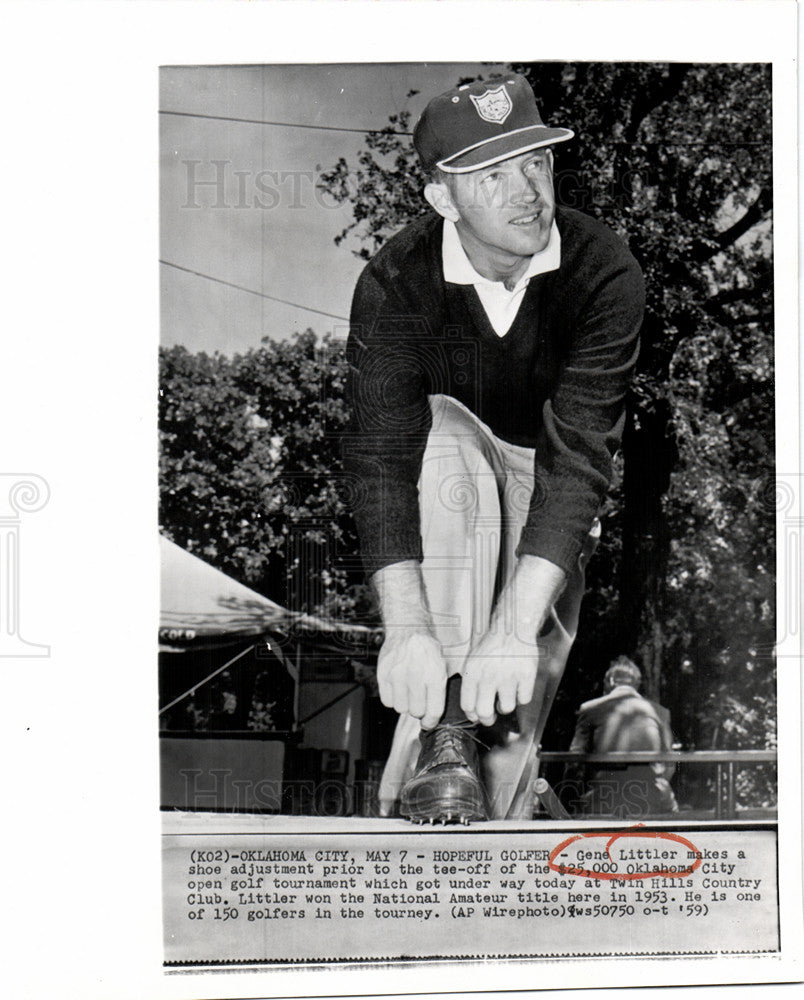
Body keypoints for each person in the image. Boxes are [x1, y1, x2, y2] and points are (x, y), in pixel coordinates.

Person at [344, 73, 644, 823]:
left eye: (535, 163)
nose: (528, 192)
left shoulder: (604, 270)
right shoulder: (394, 284)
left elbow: (579, 459)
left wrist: (513, 628)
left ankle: (497, 796)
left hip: (549, 482)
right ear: (442, 197)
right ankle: (445, 736)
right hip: (449, 471)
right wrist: (408, 629)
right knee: (448, 444)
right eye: (492, 174)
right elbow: (382, 459)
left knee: (507, 748)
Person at [566, 656, 678, 818]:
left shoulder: (590, 709)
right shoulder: (660, 712)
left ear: (610, 682)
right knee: (670, 807)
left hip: (604, 798)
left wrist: (573, 799)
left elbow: (574, 762)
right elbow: (670, 764)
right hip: (649, 797)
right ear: (637, 684)